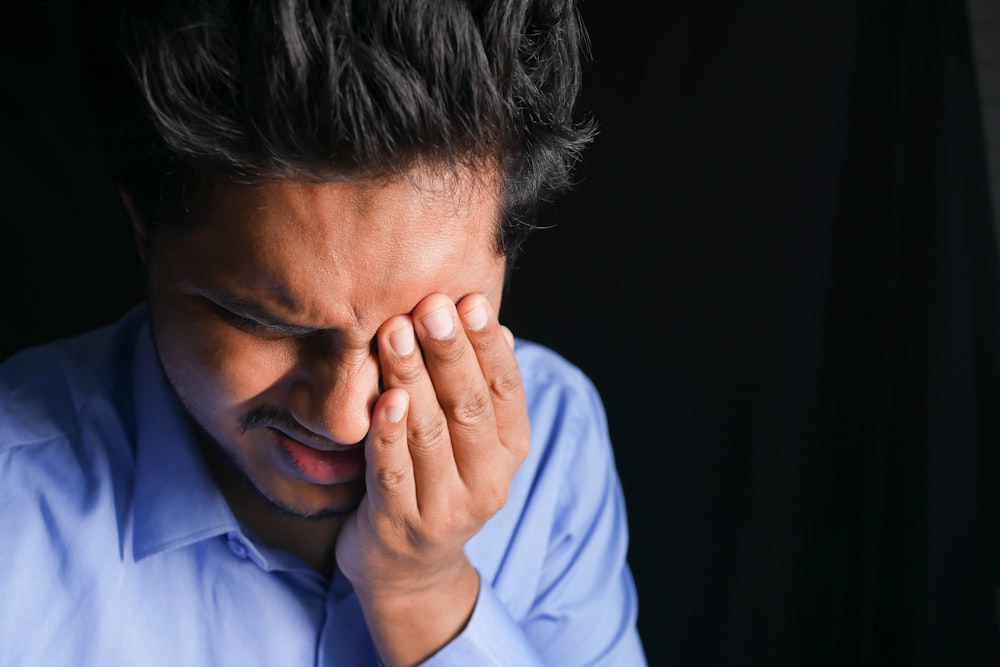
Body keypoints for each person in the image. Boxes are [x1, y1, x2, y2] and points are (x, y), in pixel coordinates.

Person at [0, 0, 645, 664]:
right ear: (144, 232)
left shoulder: (555, 446)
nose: (344, 419)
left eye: (424, 325)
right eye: (264, 323)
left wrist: (424, 591)